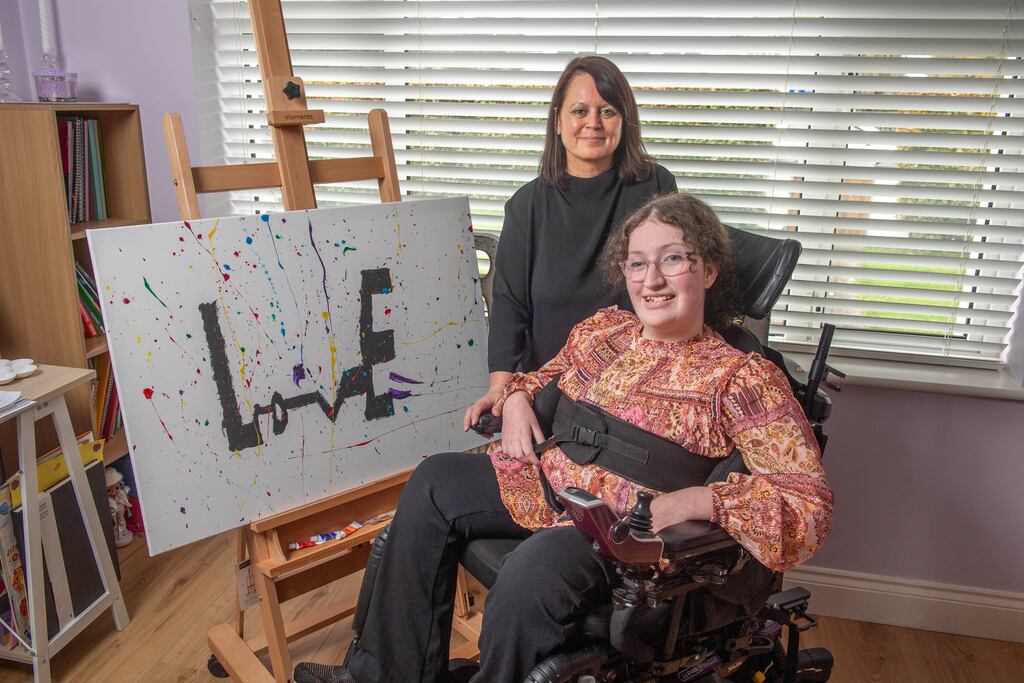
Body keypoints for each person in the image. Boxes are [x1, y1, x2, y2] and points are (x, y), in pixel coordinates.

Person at [295, 194, 833, 683]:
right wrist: (516, 401)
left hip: (622, 536)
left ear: (709, 270)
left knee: (534, 572)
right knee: (435, 480)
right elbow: (541, 379)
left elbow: (807, 508)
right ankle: (380, 676)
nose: (653, 280)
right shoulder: (605, 332)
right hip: (547, 484)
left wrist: (695, 501)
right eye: (638, 263)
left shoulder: (743, 379)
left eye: (673, 259)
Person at [463, 55, 678, 433]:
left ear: (624, 122)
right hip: (550, 390)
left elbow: (673, 289)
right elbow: (511, 304)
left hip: (634, 390)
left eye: (607, 111)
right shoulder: (527, 205)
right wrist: (500, 387)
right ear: (558, 121)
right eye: (580, 110)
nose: (593, 123)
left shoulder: (655, 188)